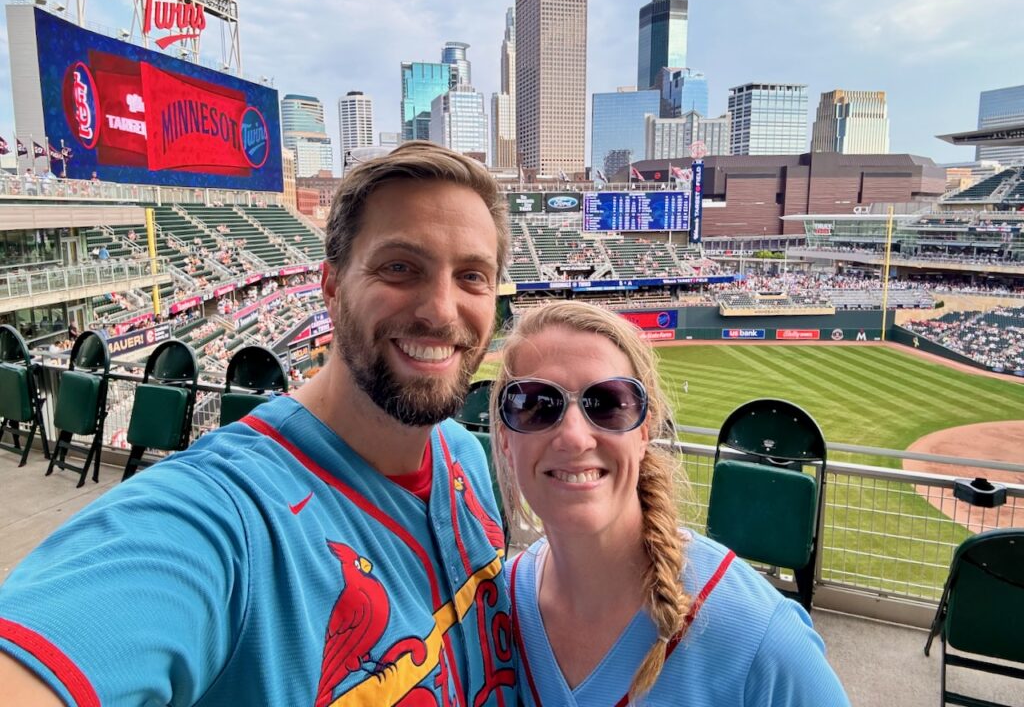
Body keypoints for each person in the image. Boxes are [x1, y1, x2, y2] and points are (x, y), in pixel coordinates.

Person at [0, 141, 516, 707]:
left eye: (472, 276)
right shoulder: (221, 518)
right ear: (331, 285)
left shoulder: (464, 454)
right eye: (399, 267)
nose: (441, 309)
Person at [490, 301, 849, 706]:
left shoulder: (761, 635)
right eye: (537, 405)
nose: (574, 437)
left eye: (607, 404)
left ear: (644, 431)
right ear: (505, 439)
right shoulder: (494, 606)